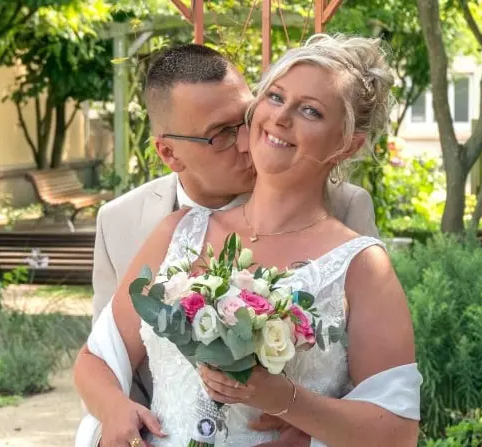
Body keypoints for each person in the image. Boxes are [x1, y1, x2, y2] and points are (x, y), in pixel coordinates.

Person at [76, 34, 422, 447]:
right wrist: (116, 414)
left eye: (310, 111)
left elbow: (398, 431)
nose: (281, 117)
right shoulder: (177, 231)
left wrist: (288, 402)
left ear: (347, 145)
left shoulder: (361, 264)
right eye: (275, 97)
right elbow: (98, 357)